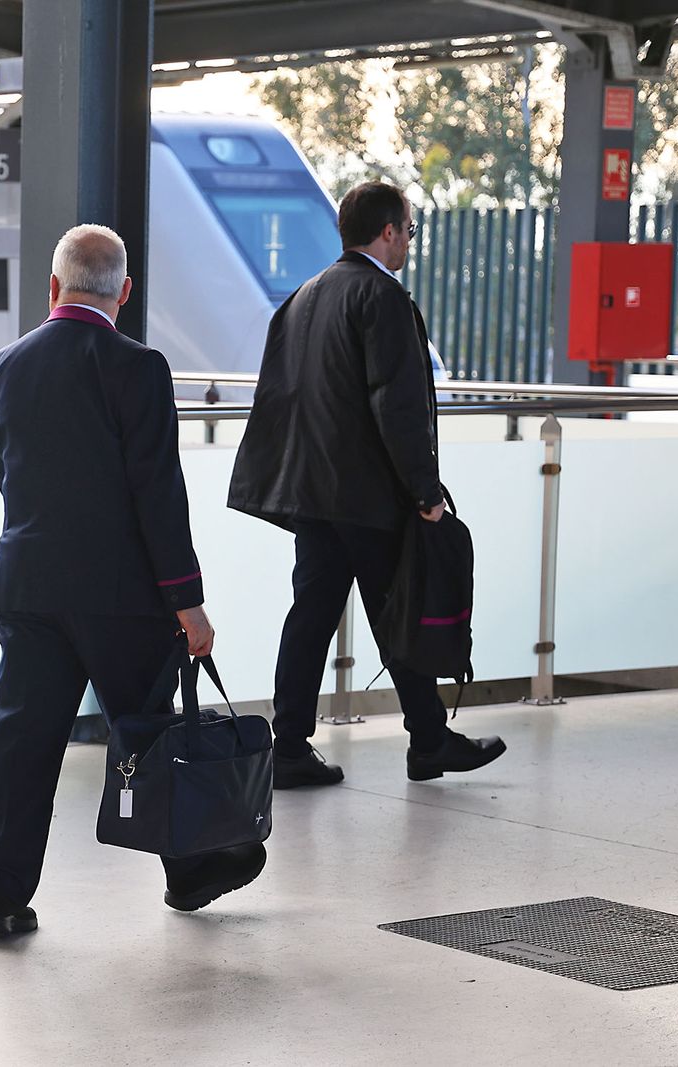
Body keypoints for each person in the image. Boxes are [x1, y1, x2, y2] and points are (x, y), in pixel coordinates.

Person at [0, 224, 266, 938]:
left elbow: (5, 468)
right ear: (125, 292)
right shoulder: (139, 368)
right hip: (123, 597)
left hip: (28, 586)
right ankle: (190, 870)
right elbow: (158, 493)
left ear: (53, 286)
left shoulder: (0, 367)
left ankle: (0, 896)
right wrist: (187, 601)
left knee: (21, 746)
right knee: (150, 733)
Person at [227, 181, 505, 790]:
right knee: (396, 611)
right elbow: (395, 404)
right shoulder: (381, 297)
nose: (409, 241)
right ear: (387, 232)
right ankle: (428, 741)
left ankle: (290, 745)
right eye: (408, 229)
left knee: (312, 616)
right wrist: (425, 492)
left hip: (311, 492)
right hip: (364, 494)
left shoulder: (304, 296)